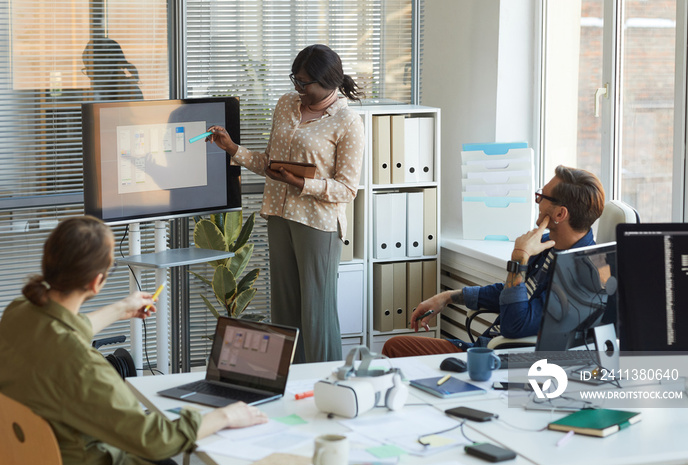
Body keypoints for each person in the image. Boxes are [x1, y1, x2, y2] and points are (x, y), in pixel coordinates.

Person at [0, 216, 268, 465]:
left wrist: (120, 309)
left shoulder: (19, 311)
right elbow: (156, 441)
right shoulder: (82, 365)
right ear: (97, 282)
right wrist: (226, 415)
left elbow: (63, 330)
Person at [207, 44, 365, 363]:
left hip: (317, 224)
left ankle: (326, 384)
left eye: (305, 83)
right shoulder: (286, 105)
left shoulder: (348, 122)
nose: (299, 88)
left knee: (317, 314)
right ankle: (288, 385)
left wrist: (303, 183)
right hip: (279, 216)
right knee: (284, 311)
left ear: (329, 82)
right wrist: (232, 148)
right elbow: (270, 163)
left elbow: (347, 189)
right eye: (296, 80)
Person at [382, 165, 605, 357]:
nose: (537, 201)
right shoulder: (547, 244)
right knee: (398, 347)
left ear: (559, 214)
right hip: (485, 348)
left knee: (395, 348)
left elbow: (514, 325)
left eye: (542, 197)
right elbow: (511, 292)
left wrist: (519, 258)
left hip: (499, 358)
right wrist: (448, 297)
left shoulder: (580, 275)